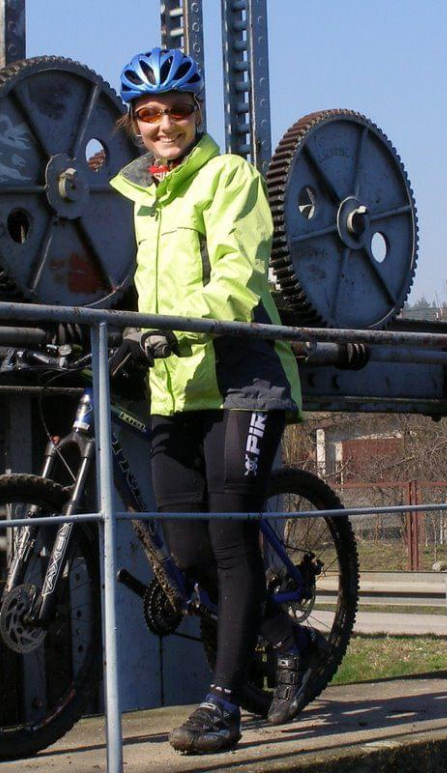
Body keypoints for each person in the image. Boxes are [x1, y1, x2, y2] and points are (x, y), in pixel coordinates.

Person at [109, 47, 316, 755]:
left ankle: (223, 704)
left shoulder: (231, 177)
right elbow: (132, 287)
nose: (164, 123)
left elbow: (236, 273)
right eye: (149, 113)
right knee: (190, 553)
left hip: (240, 373)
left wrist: (170, 324)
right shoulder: (137, 197)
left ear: (197, 113)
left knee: (230, 538)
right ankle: (288, 639)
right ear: (133, 122)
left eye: (178, 110)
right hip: (175, 386)